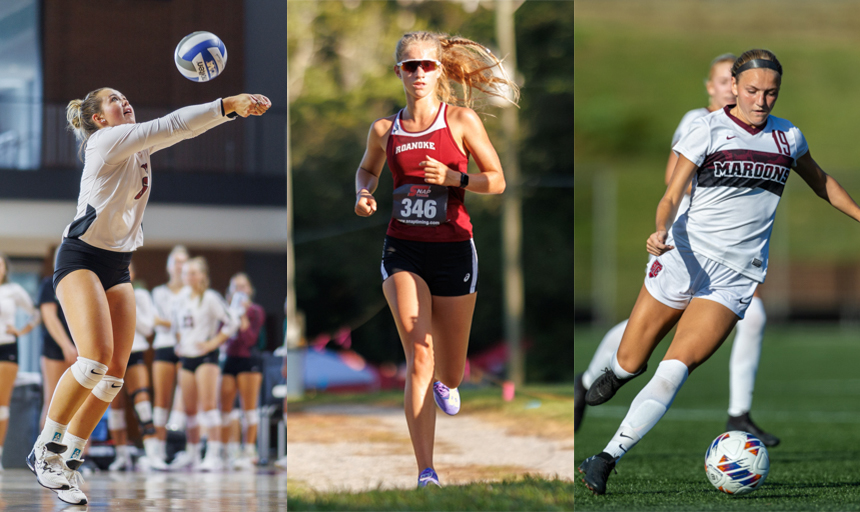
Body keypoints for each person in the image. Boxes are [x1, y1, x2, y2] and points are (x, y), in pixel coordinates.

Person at [578, 49, 860, 496]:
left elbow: (822, 182)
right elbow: (672, 194)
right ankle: (615, 371)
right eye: (752, 90)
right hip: (683, 256)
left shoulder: (789, 137)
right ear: (733, 86)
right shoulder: (705, 128)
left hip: (734, 276)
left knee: (675, 368)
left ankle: (606, 457)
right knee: (631, 363)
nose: (761, 100)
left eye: (771, 92)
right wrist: (659, 229)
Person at [27, 87, 270, 505]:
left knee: (115, 375)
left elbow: (176, 131)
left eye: (125, 96)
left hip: (118, 263)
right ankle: (45, 451)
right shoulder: (105, 141)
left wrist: (225, 113)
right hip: (81, 255)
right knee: (93, 360)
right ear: (98, 119)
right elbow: (173, 124)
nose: (124, 101)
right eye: (113, 100)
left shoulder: (137, 142)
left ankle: (69, 461)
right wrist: (227, 106)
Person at [574, 53, 779, 446]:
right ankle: (588, 381)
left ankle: (739, 413)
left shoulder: (759, 131)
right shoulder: (698, 122)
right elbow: (676, 179)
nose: (731, 91)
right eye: (722, 82)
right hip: (680, 243)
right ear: (717, 86)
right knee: (647, 328)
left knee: (752, 317)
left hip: (726, 257)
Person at [353, 31, 518, 488]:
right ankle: (426, 470)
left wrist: (453, 177)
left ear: (439, 70)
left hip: (454, 251)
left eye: (427, 65)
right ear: (398, 73)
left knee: (449, 367)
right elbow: (367, 169)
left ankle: (450, 383)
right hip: (402, 249)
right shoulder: (385, 130)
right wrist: (363, 192)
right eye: (411, 66)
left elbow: (497, 180)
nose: (419, 73)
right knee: (418, 352)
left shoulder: (461, 121)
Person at [169, 257, 239, 472]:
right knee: (190, 410)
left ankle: (214, 454)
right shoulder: (182, 299)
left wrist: (212, 343)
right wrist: (180, 344)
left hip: (206, 359)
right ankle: (192, 454)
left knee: (209, 406)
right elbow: (179, 326)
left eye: (192, 273)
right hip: (187, 357)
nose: (187, 277)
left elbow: (232, 321)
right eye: (185, 273)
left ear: (201, 275)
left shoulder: (210, 297)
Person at [108, 262, 166, 471]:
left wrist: (128, 303)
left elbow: (148, 328)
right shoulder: (106, 291)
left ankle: (153, 453)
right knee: (114, 406)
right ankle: (122, 455)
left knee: (142, 399)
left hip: (135, 351)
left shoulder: (140, 295)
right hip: (111, 355)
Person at [219, 272, 265, 470]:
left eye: (243, 286)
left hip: (249, 360)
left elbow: (249, 339)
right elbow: (222, 336)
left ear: (250, 290)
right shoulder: (226, 312)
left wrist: (243, 315)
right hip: (230, 359)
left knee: (249, 407)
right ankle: (229, 449)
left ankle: (249, 450)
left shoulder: (255, 311)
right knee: (227, 408)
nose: (239, 290)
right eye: (235, 286)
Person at [0, 254, 41, 471]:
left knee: (1, 404)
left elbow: (36, 313)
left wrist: (21, 330)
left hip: (7, 348)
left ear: (5, 268)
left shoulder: (13, 290)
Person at [150, 245, 190, 465]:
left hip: (186, 347)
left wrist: (173, 324)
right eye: (177, 261)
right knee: (161, 401)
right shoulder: (159, 292)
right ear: (169, 265)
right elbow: (157, 321)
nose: (180, 266)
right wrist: (177, 324)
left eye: (184, 262)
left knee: (185, 398)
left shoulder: (190, 292)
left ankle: (183, 449)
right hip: (164, 345)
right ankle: (157, 449)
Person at [37, 248, 77, 430]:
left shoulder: (81, 284)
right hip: (54, 350)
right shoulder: (49, 284)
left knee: (79, 404)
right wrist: (67, 346)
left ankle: (79, 455)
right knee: (52, 401)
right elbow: (49, 317)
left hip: (81, 351)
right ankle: (44, 454)